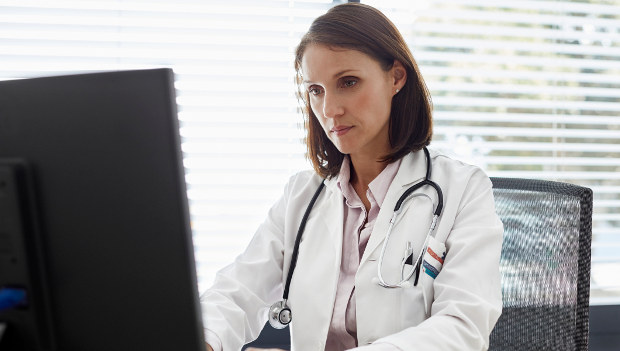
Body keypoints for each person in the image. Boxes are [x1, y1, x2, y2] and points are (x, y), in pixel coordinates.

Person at [201, 3, 503, 351]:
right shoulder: (301, 195)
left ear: (396, 78)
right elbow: (237, 291)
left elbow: (463, 328)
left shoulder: (463, 190)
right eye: (316, 89)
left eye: (348, 82)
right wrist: (203, 339)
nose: (329, 110)